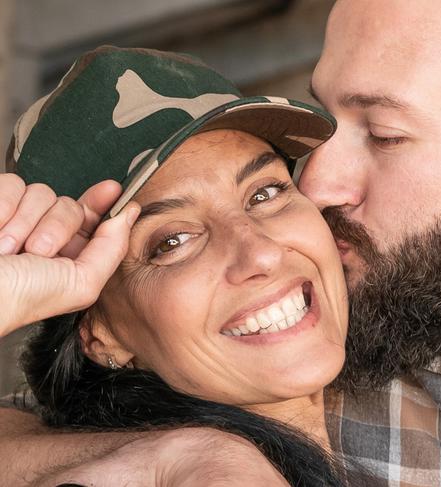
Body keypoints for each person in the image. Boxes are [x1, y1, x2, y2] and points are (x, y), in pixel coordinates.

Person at [1, 0, 441, 485]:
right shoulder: (321, 355)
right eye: (172, 239)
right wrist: (179, 458)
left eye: (386, 133)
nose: (317, 180)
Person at [1, 46, 352, 487]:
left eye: (264, 194)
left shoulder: (420, 356)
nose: (260, 253)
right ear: (100, 335)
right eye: (173, 241)